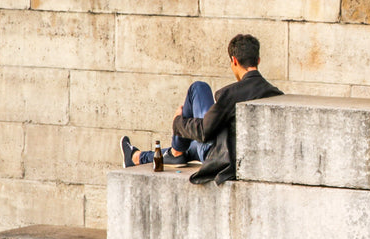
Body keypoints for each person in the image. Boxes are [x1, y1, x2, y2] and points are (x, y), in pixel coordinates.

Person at [121, 34, 283, 184]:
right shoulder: (276, 94)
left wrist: (179, 123)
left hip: (223, 158)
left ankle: (174, 151)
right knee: (189, 149)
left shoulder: (230, 94)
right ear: (258, 60)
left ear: (234, 61)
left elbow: (204, 132)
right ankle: (139, 157)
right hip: (244, 156)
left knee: (198, 88)